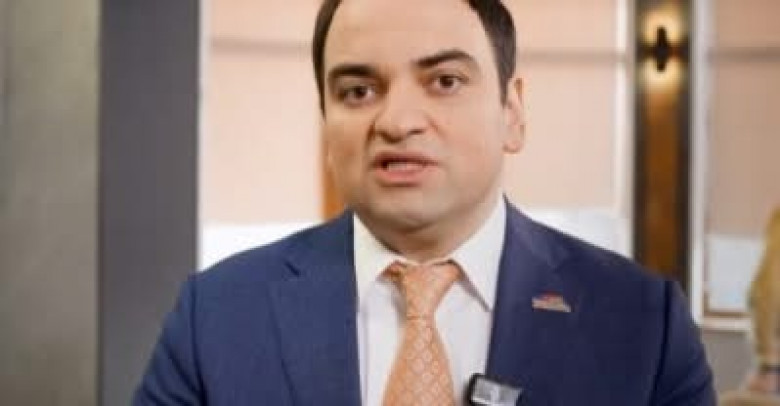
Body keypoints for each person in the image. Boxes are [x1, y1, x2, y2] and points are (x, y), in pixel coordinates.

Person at [134, 0, 715, 404]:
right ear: (325, 123)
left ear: (512, 112)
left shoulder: (643, 326)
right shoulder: (218, 317)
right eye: (358, 91)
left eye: (444, 82)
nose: (397, 121)